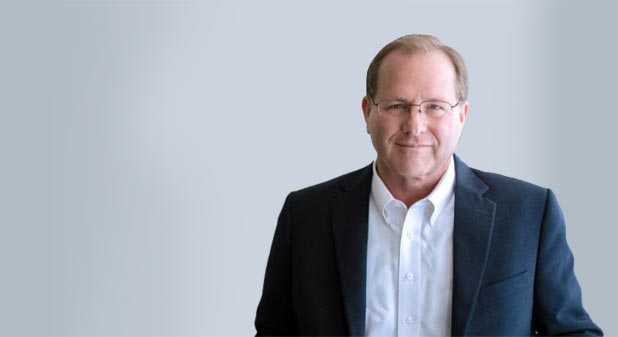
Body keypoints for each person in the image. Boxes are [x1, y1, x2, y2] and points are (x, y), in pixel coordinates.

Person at [254, 34, 603, 336]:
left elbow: (573, 332)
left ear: (461, 116)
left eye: (435, 106)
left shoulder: (528, 213)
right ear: (367, 113)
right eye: (397, 105)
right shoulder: (306, 216)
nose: (415, 125)